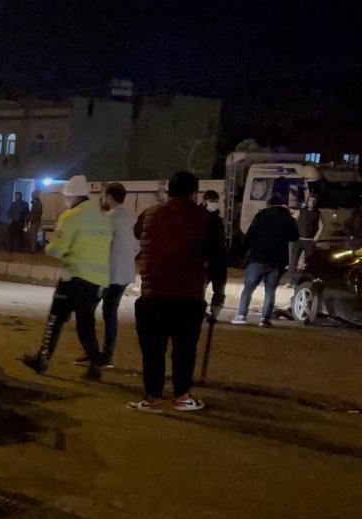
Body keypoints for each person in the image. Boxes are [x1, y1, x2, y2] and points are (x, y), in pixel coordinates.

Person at [130, 171, 227, 413]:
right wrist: (218, 295)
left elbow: (137, 232)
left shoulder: (149, 214)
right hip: (188, 297)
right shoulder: (206, 219)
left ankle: (152, 397)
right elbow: (217, 261)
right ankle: (182, 396)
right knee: (184, 350)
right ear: (195, 193)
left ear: (168, 191)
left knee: (153, 350)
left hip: (152, 296)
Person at [20, 175, 111, 381]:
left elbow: (60, 249)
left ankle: (42, 360)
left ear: (72, 196)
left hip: (73, 279)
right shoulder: (102, 217)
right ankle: (96, 365)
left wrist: (49, 247)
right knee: (85, 324)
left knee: (55, 319)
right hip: (97, 281)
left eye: (66, 197)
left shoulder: (71, 216)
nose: (65, 201)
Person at [81, 182, 137, 368]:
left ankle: (93, 354)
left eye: (104, 196)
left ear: (110, 198)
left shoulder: (109, 219)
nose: (102, 200)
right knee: (110, 313)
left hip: (107, 275)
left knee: (86, 312)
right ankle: (106, 354)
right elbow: (136, 247)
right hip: (123, 274)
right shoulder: (130, 218)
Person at [232, 195, 299, 327]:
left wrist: (243, 253)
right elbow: (295, 236)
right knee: (270, 290)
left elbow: (250, 235)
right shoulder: (287, 218)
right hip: (277, 261)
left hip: (258, 257)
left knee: (248, 288)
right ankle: (265, 319)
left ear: (268, 204)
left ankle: (241, 315)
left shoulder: (261, 216)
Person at [289, 194, 321, 286]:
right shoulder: (300, 211)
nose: (312, 202)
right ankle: (291, 281)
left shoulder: (317, 213)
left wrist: (316, 237)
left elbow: (321, 227)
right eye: (310, 200)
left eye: (314, 200)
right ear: (307, 201)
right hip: (298, 240)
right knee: (293, 262)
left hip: (310, 241)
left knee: (309, 263)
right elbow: (292, 222)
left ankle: (307, 281)